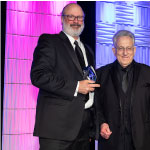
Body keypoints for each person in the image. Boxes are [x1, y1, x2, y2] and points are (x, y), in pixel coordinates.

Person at [31, 3, 100, 150]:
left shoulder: (88, 50)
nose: (76, 21)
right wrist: (76, 86)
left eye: (80, 17)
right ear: (62, 19)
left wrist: (92, 126)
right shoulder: (49, 41)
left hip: (84, 130)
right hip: (57, 130)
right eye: (71, 17)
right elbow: (38, 76)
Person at [96, 30, 150, 150]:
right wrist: (101, 123)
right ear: (114, 51)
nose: (125, 52)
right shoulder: (101, 74)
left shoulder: (149, 73)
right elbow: (96, 106)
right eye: (121, 48)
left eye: (129, 48)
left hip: (143, 139)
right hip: (111, 141)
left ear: (134, 50)